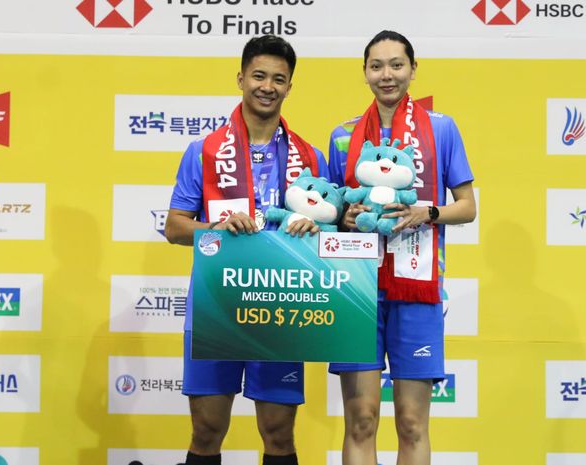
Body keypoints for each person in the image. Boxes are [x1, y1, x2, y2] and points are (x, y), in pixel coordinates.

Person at [165, 34, 329, 465]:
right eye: (259, 75)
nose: (267, 86)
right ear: (240, 78)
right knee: (206, 429)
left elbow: (330, 235)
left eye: (279, 78)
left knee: (278, 433)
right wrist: (216, 227)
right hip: (216, 306)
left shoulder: (310, 158)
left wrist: (315, 228)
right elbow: (175, 227)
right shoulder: (203, 151)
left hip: (283, 306)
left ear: (289, 87)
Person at [327, 30, 477, 465]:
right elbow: (327, 210)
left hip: (418, 288)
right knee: (361, 421)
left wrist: (425, 213)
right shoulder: (342, 136)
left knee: (412, 423)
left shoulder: (441, 129)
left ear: (413, 69)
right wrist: (343, 216)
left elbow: (466, 207)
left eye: (396, 65)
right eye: (377, 66)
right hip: (357, 289)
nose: (387, 75)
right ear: (365, 73)